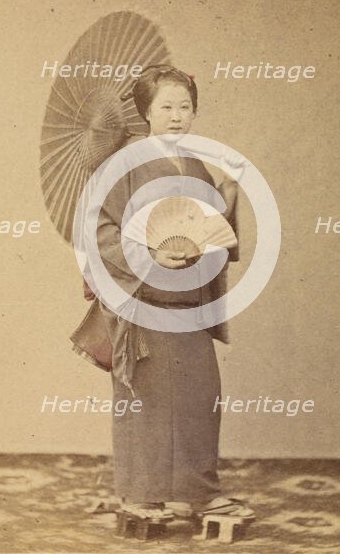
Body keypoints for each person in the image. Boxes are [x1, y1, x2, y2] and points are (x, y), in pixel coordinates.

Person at [70, 65, 254, 521]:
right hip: (142, 302)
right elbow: (99, 230)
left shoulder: (194, 164)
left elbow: (210, 231)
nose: (177, 116)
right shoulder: (122, 163)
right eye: (166, 107)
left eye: (185, 106)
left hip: (186, 301)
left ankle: (197, 490)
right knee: (143, 400)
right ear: (146, 111)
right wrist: (149, 253)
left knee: (199, 397)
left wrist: (225, 199)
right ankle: (142, 496)